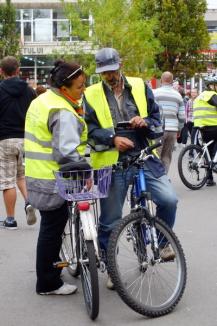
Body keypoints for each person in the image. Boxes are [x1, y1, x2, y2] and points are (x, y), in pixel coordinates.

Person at [84, 48, 178, 289]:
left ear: (120, 65)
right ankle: (110, 266)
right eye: (104, 73)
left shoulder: (139, 85)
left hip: (143, 155)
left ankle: (161, 242)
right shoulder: (91, 93)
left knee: (168, 200)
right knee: (110, 220)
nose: (109, 76)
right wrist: (112, 138)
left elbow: (158, 121)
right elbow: (89, 131)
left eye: (112, 70)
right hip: (111, 161)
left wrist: (145, 123)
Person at [25, 60, 90, 295]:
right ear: (64, 88)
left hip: (37, 174)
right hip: (52, 178)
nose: (83, 90)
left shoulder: (42, 100)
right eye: (79, 87)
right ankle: (48, 282)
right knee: (52, 229)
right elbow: (65, 152)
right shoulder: (61, 110)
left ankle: (50, 273)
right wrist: (86, 170)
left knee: (50, 226)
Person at [0, 56, 37, 229]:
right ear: (18, 70)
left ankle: (10, 219)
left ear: (1, 71)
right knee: (21, 175)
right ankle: (29, 201)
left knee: (7, 180)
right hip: (25, 139)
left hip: (5, 139)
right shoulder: (29, 91)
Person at [153, 71, 185, 173]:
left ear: (161, 80)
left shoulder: (154, 93)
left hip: (158, 129)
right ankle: (165, 178)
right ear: (172, 81)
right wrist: (179, 129)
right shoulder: (178, 96)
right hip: (172, 130)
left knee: (155, 155)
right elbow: (182, 116)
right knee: (167, 156)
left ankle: (157, 179)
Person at [193, 76, 217, 186]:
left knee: (208, 150)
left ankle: (209, 178)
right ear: (211, 85)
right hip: (212, 126)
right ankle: (215, 164)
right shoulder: (211, 95)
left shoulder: (199, 96)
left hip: (201, 127)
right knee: (212, 150)